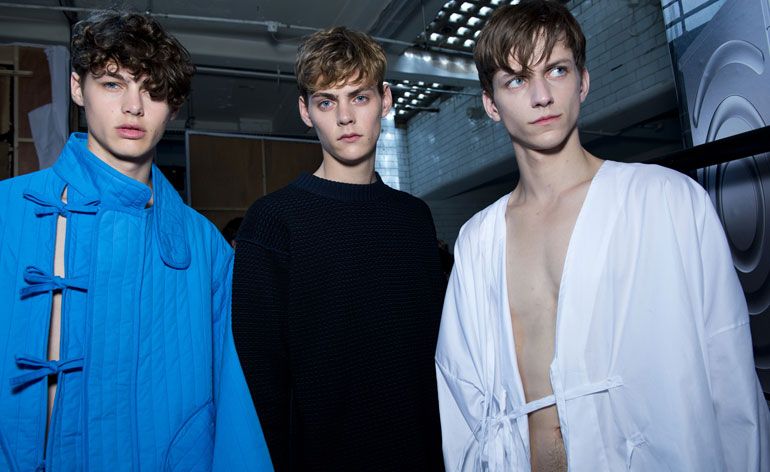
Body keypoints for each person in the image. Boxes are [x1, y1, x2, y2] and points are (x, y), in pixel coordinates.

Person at [435, 1, 770, 471]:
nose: (541, 95)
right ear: (492, 104)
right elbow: (462, 398)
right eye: (516, 79)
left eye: (556, 70)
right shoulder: (477, 242)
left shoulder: (665, 200)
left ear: (583, 82)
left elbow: (729, 372)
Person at [0, 10, 272, 471]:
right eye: (112, 83)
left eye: (153, 89)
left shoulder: (206, 248)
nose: (134, 106)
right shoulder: (7, 211)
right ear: (76, 87)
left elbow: (233, 402)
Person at [232, 26, 445, 471]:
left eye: (359, 97)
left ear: (385, 100)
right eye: (327, 102)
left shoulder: (414, 219)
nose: (345, 117)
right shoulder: (273, 221)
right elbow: (260, 384)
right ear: (306, 112)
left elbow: (436, 358)